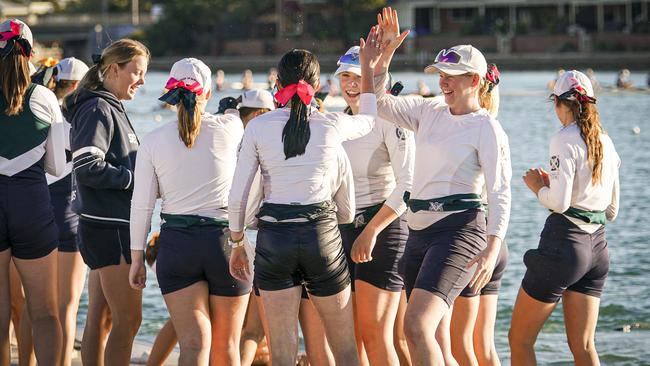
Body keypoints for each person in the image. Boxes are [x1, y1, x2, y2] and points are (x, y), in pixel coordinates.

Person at [227, 29, 382, 365]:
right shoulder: (331, 124)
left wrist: (237, 243)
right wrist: (368, 68)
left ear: (278, 83)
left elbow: (238, 196)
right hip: (322, 235)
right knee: (345, 351)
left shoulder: (257, 127)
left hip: (274, 239)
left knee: (281, 354)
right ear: (316, 84)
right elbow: (370, 120)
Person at [373, 8, 512, 364]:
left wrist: (492, 249)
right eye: (440, 75)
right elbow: (382, 103)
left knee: (416, 327)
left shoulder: (487, 127)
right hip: (418, 233)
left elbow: (499, 192)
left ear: (475, 81)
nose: (443, 82)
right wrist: (382, 61)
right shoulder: (428, 111)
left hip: (459, 231)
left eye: (452, 75)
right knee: (427, 335)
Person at [129, 58, 251, 365]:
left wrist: (136, 259)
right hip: (223, 244)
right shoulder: (229, 128)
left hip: (177, 246)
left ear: (171, 94)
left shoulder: (153, 141)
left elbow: (142, 205)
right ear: (207, 94)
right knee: (227, 349)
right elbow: (234, 118)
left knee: (194, 345)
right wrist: (231, 109)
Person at [510, 70, 620, 365]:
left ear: (558, 102)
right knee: (583, 346)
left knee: (519, 341)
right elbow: (611, 210)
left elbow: (557, 204)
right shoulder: (606, 142)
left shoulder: (563, 139)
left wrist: (537, 187)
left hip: (565, 245)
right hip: (598, 249)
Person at [64, 38, 149, 365]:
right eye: (136, 73)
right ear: (114, 69)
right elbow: (86, 167)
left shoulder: (108, 105)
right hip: (109, 227)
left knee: (101, 318)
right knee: (129, 321)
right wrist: (136, 179)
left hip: (105, 224)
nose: (141, 81)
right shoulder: (98, 107)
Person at [333, 45, 415, 366]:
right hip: (343, 233)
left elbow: (408, 184)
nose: (352, 84)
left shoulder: (392, 118)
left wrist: (371, 230)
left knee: (377, 335)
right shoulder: (340, 122)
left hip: (384, 230)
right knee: (350, 337)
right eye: (346, 77)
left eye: (359, 77)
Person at [0, 19, 66, 365]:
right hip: (31, 201)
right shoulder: (43, 96)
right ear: (30, 53)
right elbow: (57, 166)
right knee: (45, 312)